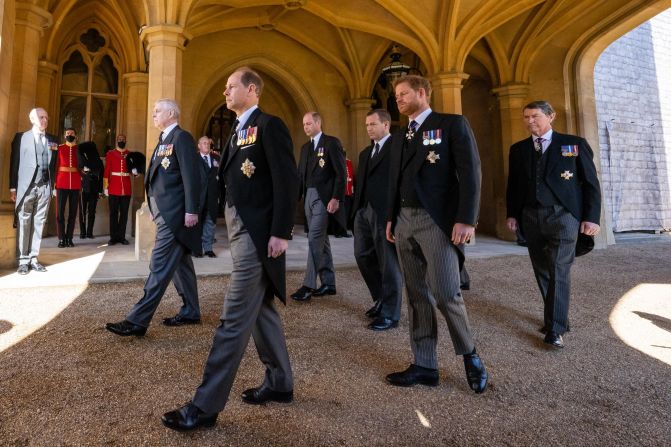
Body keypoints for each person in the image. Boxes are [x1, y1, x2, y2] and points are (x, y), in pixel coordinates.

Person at [162, 67, 299, 432]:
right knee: (260, 309)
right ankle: (280, 383)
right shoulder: (239, 130)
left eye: (230, 86)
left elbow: (288, 180)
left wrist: (281, 232)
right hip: (240, 229)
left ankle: (204, 407)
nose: (224, 92)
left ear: (251, 90)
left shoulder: (270, 126)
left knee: (234, 317)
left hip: (258, 235)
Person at [385, 75, 488, 394]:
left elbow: (471, 172)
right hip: (404, 221)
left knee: (446, 292)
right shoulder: (401, 135)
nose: (399, 99)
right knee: (416, 295)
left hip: (437, 221)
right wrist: (391, 218)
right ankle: (425, 364)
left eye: (404, 94)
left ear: (421, 93)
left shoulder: (451, 124)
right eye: (396, 95)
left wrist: (466, 219)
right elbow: (395, 180)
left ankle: (470, 355)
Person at [506, 100, 601, 349]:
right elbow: (513, 186)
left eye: (535, 116)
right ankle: (557, 318)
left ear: (551, 116)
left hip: (564, 216)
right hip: (530, 217)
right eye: (525, 117)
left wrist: (591, 217)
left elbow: (590, 184)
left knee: (559, 269)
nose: (529, 122)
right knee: (542, 270)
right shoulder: (518, 150)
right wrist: (512, 214)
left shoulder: (574, 145)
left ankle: (555, 329)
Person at [106, 99, 204, 337]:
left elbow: (193, 177)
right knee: (181, 265)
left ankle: (137, 320)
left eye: (158, 111)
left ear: (171, 113)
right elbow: (159, 178)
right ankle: (191, 311)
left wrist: (192, 210)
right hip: (163, 212)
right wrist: (152, 205)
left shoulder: (181, 138)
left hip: (175, 215)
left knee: (159, 265)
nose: (153, 114)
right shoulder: (164, 139)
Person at [351, 109, 402, 331]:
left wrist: (395, 215)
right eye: (367, 125)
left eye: (373, 124)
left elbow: (399, 184)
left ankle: (391, 313)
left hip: (385, 213)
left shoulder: (397, 149)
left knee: (389, 263)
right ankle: (381, 298)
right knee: (362, 255)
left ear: (386, 125)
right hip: (364, 212)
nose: (369, 128)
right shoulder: (365, 153)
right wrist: (355, 213)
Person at [291, 112, 346, 302]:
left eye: (308, 123)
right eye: (304, 124)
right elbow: (300, 176)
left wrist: (336, 198)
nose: (305, 127)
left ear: (318, 122)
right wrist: (294, 199)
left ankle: (308, 285)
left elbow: (341, 173)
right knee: (321, 240)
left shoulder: (331, 143)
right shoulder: (305, 148)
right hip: (308, 197)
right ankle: (329, 283)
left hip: (324, 198)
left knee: (314, 238)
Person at [9, 108, 57, 274]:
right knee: (24, 221)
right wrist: (13, 186)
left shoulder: (52, 140)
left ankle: (34, 258)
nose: (44, 120)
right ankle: (23, 260)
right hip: (26, 186)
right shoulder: (21, 138)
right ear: (32, 119)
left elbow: (54, 165)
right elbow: (14, 163)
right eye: (41, 117)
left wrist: (53, 185)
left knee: (39, 222)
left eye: (46, 117)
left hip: (45, 187)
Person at [103, 135, 136, 245]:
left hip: (126, 187)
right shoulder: (110, 154)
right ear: (116, 141)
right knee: (113, 213)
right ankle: (113, 237)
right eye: (119, 140)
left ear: (125, 141)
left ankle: (121, 236)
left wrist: (135, 172)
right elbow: (107, 170)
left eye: (123, 140)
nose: (121, 141)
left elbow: (132, 172)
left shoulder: (130, 154)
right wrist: (106, 187)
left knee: (124, 213)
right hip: (113, 187)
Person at [54, 128, 83, 248]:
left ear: (75, 135)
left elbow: (82, 166)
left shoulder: (79, 150)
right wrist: (53, 185)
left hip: (75, 183)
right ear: (64, 136)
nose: (69, 135)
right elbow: (55, 166)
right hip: (61, 183)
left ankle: (69, 238)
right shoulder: (60, 148)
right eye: (67, 133)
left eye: (72, 133)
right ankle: (61, 238)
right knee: (60, 213)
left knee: (72, 213)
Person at [197, 135, 220, 258]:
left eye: (208, 143)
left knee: (210, 222)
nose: (206, 145)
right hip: (198, 196)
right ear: (199, 146)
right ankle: (197, 248)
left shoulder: (216, 158)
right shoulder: (194, 159)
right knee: (197, 223)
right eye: (204, 143)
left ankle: (208, 248)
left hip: (212, 196)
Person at [78, 141, 103, 239]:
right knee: (82, 212)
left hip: (94, 188)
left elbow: (100, 177)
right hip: (83, 188)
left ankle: (89, 232)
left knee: (92, 212)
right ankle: (82, 232)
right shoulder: (81, 160)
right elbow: (77, 171)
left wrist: (100, 190)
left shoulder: (98, 161)